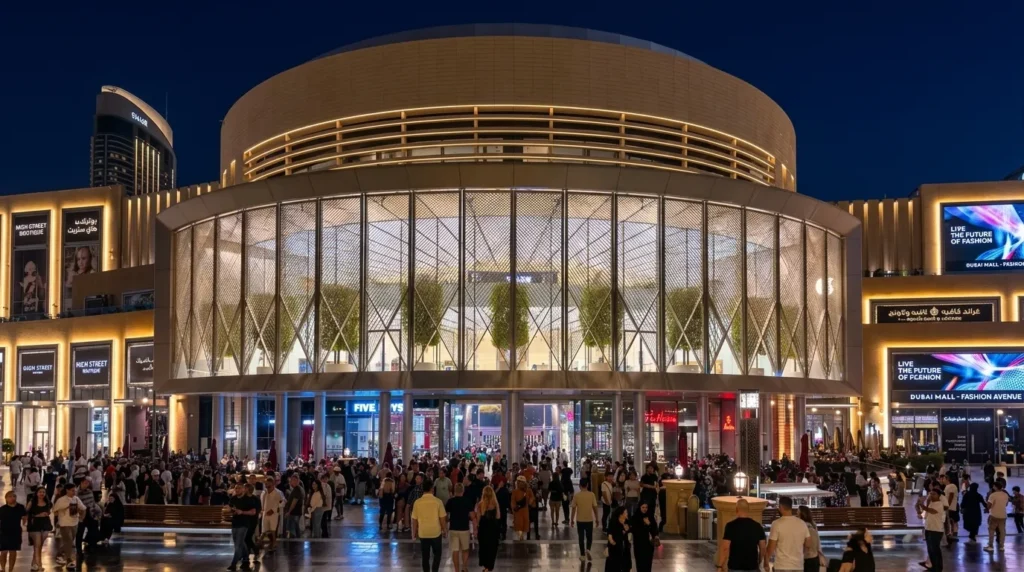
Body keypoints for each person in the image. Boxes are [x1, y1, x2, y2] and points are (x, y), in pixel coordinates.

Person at [717, 498, 765, 572]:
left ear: (736, 510)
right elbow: (762, 548)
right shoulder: (757, 526)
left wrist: (720, 566)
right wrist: (761, 563)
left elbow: (725, 548)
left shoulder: (730, 526)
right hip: (752, 567)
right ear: (748, 510)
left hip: (735, 567)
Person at [764, 496, 810, 572]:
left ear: (781, 507)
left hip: (782, 565)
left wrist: (766, 563)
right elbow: (808, 544)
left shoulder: (776, 524)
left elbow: (771, 547)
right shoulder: (802, 523)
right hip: (798, 566)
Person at [411, 478, 447, 572]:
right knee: (437, 554)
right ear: (432, 489)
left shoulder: (417, 502)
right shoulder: (438, 502)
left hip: (423, 533)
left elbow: (414, 520)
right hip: (436, 532)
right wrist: (444, 530)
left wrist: (414, 533)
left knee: (425, 556)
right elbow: (442, 519)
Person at [52, 484, 86, 570]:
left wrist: (81, 517)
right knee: (69, 541)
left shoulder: (76, 499)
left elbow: (83, 508)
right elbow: (55, 511)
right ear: (67, 490)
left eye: (75, 490)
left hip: (74, 522)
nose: (74, 492)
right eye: (72, 490)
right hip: (64, 523)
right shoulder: (61, 500)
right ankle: (68, 559)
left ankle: (60, 554)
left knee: (70, 542)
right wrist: (63, 511)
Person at [228, 483, 258, 571]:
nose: (237, 490)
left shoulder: (248, 499)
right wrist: (231, 511)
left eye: (239, 488)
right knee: (241, 543)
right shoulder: (233, 499)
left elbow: (253, 512)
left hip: (244, 524)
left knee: (238, 545)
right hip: (235, 523)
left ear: (243, 489)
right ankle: (245, 559)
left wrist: (242, 512)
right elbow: (231, 508)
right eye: (236, 488)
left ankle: (233, 563)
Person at [918, 487, 947, 572]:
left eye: (934, 494)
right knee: (930, 549)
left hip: (936, 530)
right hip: (929, 528)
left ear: (939, 495)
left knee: (935, 549)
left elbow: (932, 511)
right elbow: (926, 514)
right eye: (930, 494)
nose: (931, 495)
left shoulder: (939, 504)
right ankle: (933, 567)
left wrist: (922, 505)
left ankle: (938, 568)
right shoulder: (930, 503)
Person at [446, 483, 473, 572]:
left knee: (455, 550)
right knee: (465, 549)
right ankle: (464, 567)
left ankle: (456, 570)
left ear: (454, 491)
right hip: (464, 529)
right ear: (463, 491)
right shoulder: (467, 501)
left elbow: (446, 515)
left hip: (453, 528)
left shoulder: (450, 501)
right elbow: (472, 515)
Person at [570, 479, 598, 562]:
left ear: (579, 485)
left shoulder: (577, 495)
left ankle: (582, 555)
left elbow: (574, 508)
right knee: (589, 537)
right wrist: (597, 518)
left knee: (581, 537)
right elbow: (595, 507)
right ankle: (588, 549)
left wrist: (571, 519)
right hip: (589, 519)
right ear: (587, 485)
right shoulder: (592, 494)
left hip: (580, 520)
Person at [27, 486, 52, 571]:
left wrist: (47, 513)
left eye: (43, 492)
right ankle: (39, 565)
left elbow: (49, 511)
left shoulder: (47, 502)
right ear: (37, 493)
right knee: (37, 545)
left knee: (39, 545)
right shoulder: (32, 502)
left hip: (45, 525)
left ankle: (34, 563)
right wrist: (38, 515)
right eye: (40, 492)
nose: (42, 494)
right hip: (35, 525)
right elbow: (26, 513)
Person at [476, 485, 500, 572]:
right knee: (492, 548)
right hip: (493, 529)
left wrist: (476, 528)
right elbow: (498, 516)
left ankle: (486, 566)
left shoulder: (480, 504)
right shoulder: (495, 504)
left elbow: (478, 519)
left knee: (484, 547)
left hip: (483, 529)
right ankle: (490, 566)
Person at [0, 491, 26, 572]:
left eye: (14, 496)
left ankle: (10, 569)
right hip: (3, 532)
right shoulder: (2, 509)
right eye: (10, 496)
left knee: (13, 551)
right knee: (3, 552)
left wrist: (24, 524)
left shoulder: (20, 507)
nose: (12, 498)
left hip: (16, 532)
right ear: (6, 498)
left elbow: (24, 517)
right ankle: (3, 568)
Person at [630, 501, 657, 572]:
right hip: (639, 544)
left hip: (648, 544)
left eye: (646, 507)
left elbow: (654, 529)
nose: (645, 509)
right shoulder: (635, 517)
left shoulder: (650, 517)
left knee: (648, 562)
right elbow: (634, 530)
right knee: (640, 562)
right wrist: (644, 525)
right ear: (639, 507)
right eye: (643, 507)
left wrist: (649, 524)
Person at [985, 480, 1010, 553]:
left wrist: (987, 507)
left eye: (993, 486)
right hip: (1003, 515)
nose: (993, 487)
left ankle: (990, 546)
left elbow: (989, 505)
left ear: (995, 487)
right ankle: (1002, 546)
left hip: (994, 515)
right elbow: (1006, 504)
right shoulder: (1005, 495)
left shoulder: (993, 495)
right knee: (1002, 531)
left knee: (991, 530)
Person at [798, 506, 825, 572]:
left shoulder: (801, 525)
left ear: (801, 514)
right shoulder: (813, 524)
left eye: (798, 512)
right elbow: (818, 541)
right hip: (815, 557)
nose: (796, 514)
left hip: (805, 558)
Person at [261, 475, 284, 552]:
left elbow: (283, 502)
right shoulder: (264, 493)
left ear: (272, 483)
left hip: (274, 514)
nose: (266, 484)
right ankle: (265, 543)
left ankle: (274, 543)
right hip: (265, 513)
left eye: (268, 483)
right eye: (266, 483)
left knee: (273, 530)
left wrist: (274, 510)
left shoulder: (278, 493)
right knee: (265, 530)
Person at [604, 506, 631, 572]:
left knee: (625, 564)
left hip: (625, 546)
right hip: (615, 546)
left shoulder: (627, 521)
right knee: (614, 565)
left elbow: (629, 533)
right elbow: (610, 533)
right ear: (621, 514)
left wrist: (627, 531)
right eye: (626, 512)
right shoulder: (614, 521)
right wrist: (611, 541)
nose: (627, 513)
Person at [510, 476, 534, 541]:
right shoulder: (528, 490)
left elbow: (513, 501)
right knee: (524, 523)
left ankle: (521, 536)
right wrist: (529, 503)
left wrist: (514, 508)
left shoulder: (515, 491)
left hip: (518, 510)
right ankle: (521, 535)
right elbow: (532, 498)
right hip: (525, 509)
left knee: (519, 523)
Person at [284, 474, 305, 539]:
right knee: (296, 527)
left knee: (293, 528)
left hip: (294, 512)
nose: (291, 482)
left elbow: (294, 502)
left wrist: (289, 512)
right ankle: (297, 540)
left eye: (293, 480)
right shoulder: (297, 489)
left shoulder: (297, 489)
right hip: (295, 512)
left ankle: (294, 542)